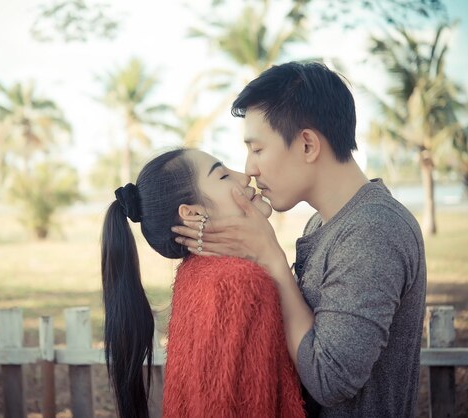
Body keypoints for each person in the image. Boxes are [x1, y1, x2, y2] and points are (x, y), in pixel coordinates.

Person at [172, 62, 427, 417]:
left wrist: (272, 259)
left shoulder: (373, 230)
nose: (249, 169)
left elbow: (330, 380)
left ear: (307, 145)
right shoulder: (320, 224)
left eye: (257, 149)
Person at [101, 148, 306, 418]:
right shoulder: (240, 283)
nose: (244, 176)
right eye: (223, 176)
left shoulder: (195, 272)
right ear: (193, 213)